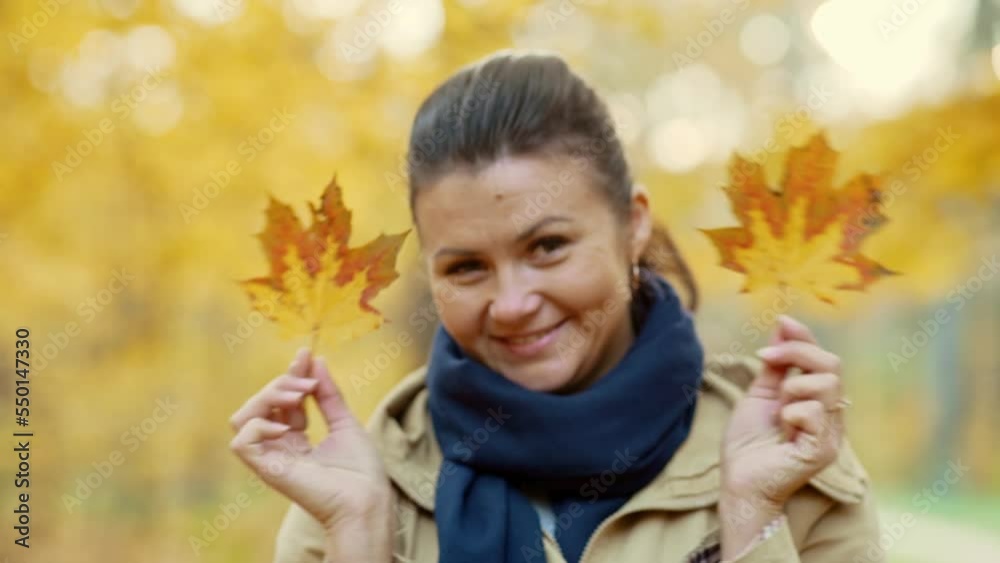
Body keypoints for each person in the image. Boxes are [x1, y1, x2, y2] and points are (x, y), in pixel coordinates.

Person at [229, 51, 882, 563]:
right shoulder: (361, 483)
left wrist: (753, 517)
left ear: (633, 226)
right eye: (466, 267)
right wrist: (357, 533)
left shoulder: (784, 458)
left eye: (547, 246)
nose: (511, 305)